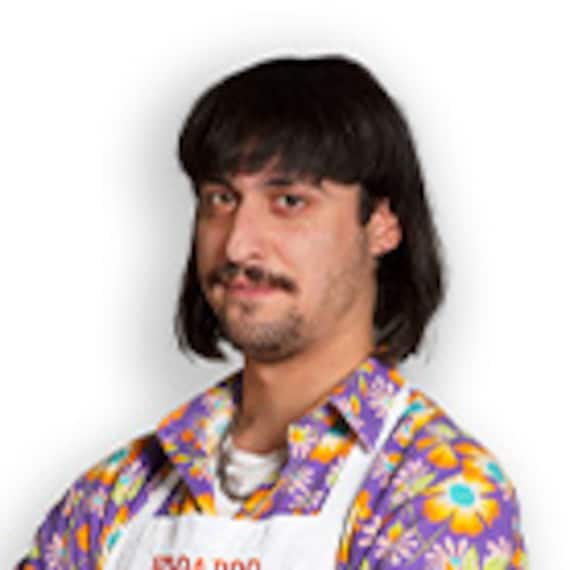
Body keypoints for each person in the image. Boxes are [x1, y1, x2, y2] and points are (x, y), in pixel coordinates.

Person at [16, 55, 528, 570]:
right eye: (221, 198)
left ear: (381, 224)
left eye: (288, 201)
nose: (237, 245)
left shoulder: (438, 492)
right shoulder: (117, 491)